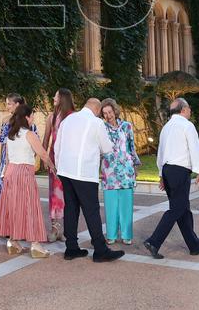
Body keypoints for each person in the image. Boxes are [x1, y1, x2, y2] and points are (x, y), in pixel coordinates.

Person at [54, 98, 124, 263]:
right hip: (84, 172)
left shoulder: (68, 119)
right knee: (91, 210)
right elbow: (106, 148)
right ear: (97, 110)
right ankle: (100, 250)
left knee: (71, 208)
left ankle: (71, 248)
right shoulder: (96, 122)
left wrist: (59, 167)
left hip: (65, 170)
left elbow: (57, 145)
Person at [143, 98, 199, 259]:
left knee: (183, 209)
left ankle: (195, 246)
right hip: (179, 171)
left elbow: (161, 153)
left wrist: (161, 175)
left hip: (167, 170)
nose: (190, 111)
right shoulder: (187, 125)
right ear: (183, 110)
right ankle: (154, 241)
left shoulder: (166, 128)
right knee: (177, 209)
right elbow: (195, 149)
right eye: (189, 108)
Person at [0, 103, 56, 258]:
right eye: (32, 115)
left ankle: (13, 242)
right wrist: (53, 167)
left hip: (10, 172)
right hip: (24, 173)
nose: (33, 117)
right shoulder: (29, 134)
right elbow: (42, 153)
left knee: (14, 207)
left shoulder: (10, 134)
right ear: (27, 117)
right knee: (30, 207)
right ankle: (35, 244)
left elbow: (7, 159)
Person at [100, 98, 140, 246]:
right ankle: (111, 235)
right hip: (109, 173)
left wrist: (135, 166)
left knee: (126, 206)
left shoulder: (127, 126)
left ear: (115, 111)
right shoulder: (101, 128)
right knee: (111, 206)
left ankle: (126, 235)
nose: (108, 115)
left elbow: (131, 147)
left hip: (126, 172)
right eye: (104, 113)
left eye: (110, 112)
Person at [42, 87, 75, 242]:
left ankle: (68, 229)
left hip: (69, 162)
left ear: (63, 99)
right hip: (54, 161)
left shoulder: (73, 117)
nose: (53, 98)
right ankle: (55, 229)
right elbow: (46, 139)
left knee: (69, 195)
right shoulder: (51, 117)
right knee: (55, 195)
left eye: (55, 96)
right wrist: (44, 158)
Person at [0, 93, 36, 209]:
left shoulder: (30, 123)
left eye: (9, 104)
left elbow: (35, 145)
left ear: (17, 104)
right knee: (5, 192)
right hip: (9, 160)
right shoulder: (5, 121)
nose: (7, 107)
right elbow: (2, 143)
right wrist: (1, 164)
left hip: (19, 163)